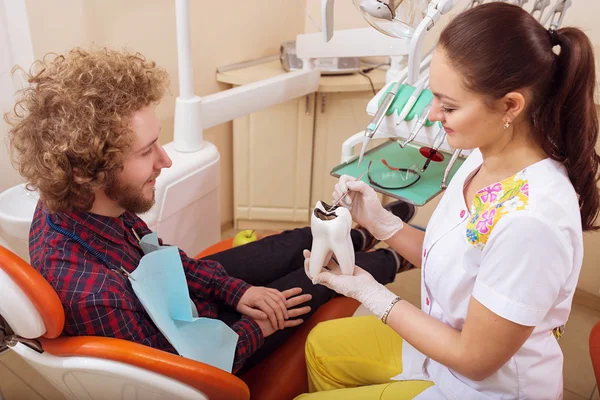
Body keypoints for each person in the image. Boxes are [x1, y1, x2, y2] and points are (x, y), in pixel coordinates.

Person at [5, 47, 413, 375]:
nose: (164, 161)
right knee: (318, 279)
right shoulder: (95, 295)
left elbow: (160, 256)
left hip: (175, 301)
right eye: (146, 152)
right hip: (207, 351)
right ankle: (392, 259)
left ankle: (362, 233)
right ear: (86, 171)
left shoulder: (83, 203)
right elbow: (185, 373)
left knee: (287, 244)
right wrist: (257, 325)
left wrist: (237, 291)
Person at [296, 3, 599, 399]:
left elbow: (475, 359)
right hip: (444, 350)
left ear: (510, 105)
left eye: (450, 105)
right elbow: (459, 262)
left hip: (483, 385)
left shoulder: (533, 222)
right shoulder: (482, 154)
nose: (434, 113)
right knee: (321, 347)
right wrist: (383, 224)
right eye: (435, 97)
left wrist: (372, 294)